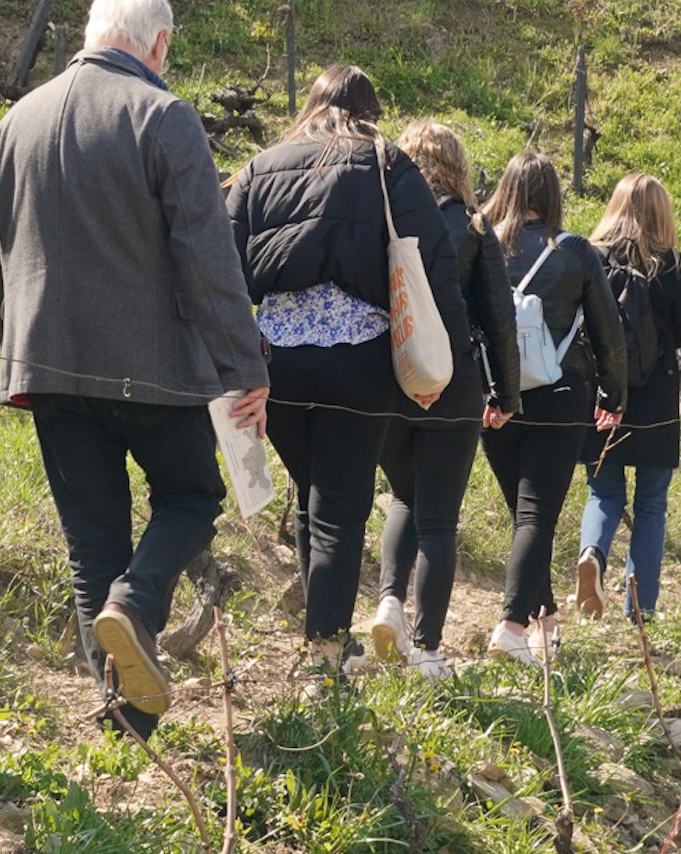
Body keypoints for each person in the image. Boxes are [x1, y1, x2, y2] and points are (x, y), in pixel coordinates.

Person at [0, 0, 267, 733]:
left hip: (47, 366)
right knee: (191, 498)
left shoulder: (19, 118)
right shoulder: (164, 116)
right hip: (155, 367)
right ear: (159, 45)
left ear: (92, 32)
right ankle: (136, 609)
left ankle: (122, 725)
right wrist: (245, 370)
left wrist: (20, 350)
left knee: (91, 546)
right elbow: (208, 257)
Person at [228, 68, 468, 666]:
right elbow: (435, 264)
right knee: (339, 507)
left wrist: (232, 359)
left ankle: (321, 639)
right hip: (359, 354)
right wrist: (453, 360)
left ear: (312, 104)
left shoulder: (263, 165)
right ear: (370, 109)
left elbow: (221, 264)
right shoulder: (386, 164)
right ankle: (327, 653)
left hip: (277, 358)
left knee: (312, 498)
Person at [366, 121, 514, 668]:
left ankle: (388, 604)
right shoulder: (472, 226)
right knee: (438, 520)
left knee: (404, 497)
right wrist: (505, 394)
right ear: (458, 165)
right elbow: (498, 319)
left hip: (390, 381)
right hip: (453, 384)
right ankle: (427, 652)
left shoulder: (382, 219)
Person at [474, 151, 628, 663]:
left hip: (495, 398)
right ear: (552, 197)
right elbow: (608, 329)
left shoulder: (482, 245)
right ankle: (513, 627)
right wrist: (614, 394)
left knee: (523, 516)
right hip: (560, 396)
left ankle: (546, 621)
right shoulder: (575, 251)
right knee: (535, 515)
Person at [575, 175, 681, 628]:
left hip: (603, 395)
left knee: (602, 492)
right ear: (661, 213)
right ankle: (640, 609)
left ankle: (592, 553)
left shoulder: (592, 256)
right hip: (656, 400)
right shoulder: (670, 264)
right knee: (650, 505)